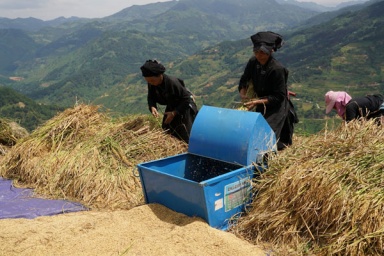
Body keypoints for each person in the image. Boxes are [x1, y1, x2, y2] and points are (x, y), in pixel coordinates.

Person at [238, 31, 298, 151]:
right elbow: (245, 78)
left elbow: (278, 97)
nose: (259, 55)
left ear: (271, 51)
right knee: (256, 133)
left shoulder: (277, 69)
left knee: (268, 138)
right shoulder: (253, 62)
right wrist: (243, 92)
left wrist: (257, 102)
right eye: (256, 52)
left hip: (276, 107)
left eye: (262, 53)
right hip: (261, 103)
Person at [140, 59, 198, 143]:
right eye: (148, 81)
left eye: (152, 80)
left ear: (160, 75)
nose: (150, 83)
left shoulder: (172, 82)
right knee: (167, 129)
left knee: (185, 133)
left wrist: (174, 113)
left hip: (184, 106)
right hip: (172, 105)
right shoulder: (152, 84)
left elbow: (186, 99)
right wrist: (152, 107)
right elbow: (151, 97)